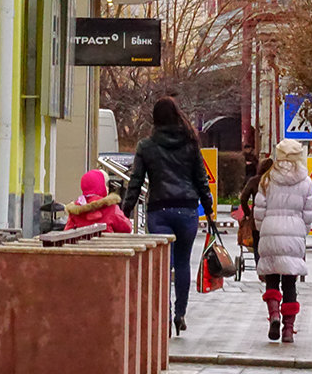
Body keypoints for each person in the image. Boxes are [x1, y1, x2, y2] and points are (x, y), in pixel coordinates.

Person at [123, 97, 214, 336]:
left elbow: (136, 182)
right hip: (187, 210)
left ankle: (162, 314)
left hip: (159, 210)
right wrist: (209, 209)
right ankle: (179, 313)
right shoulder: (191, 143)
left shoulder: (146, 146)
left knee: (163, 264)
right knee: (183, 263)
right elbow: (201, 180)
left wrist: (124, 210)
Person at [254, 138, 312, 343]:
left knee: (271, 278)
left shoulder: (267, 178)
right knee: (290, 283)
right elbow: (309, 214)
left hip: (270, 230)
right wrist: (301, 232)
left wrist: (262, 230)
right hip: (294, 233)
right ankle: (288, 330)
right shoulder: (306, 182)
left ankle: (274, 315)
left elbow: (259, 211)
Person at [64, 169, 133, 233]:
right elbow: (127, 228)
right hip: (107, 244)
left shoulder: (75, 209)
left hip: (81, 245)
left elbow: (67, 232)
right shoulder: (110, 207)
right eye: (105, 184)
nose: (107, 188)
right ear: (101, 186)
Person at [240, 157, 273, 266]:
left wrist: (247, 213)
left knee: (257, 243)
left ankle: (259, 266)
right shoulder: (275, 182)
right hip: (272, 219)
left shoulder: (254, 181)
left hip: (256, 219)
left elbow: (243, 198)